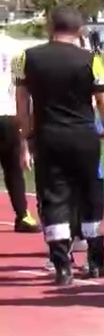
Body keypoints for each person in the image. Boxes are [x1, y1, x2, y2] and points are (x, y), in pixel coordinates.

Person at [14, 6, 104, 286]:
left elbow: (22, 104)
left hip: (48, 136)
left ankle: (62, 265)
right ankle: (96, 261)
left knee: (54, 198)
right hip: (84, 135)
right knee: (90, 196)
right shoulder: (91, 59)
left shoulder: (27, 58)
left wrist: (26, 137)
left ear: (51, 28)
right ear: (80, 31)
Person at [0, 32, 38, 233]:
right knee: (13, 169)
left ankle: (23, 215)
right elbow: (22, 85)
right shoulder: (15, 48)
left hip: (9, 111)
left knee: (13, 168)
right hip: (9, 111)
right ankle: (23, 214)